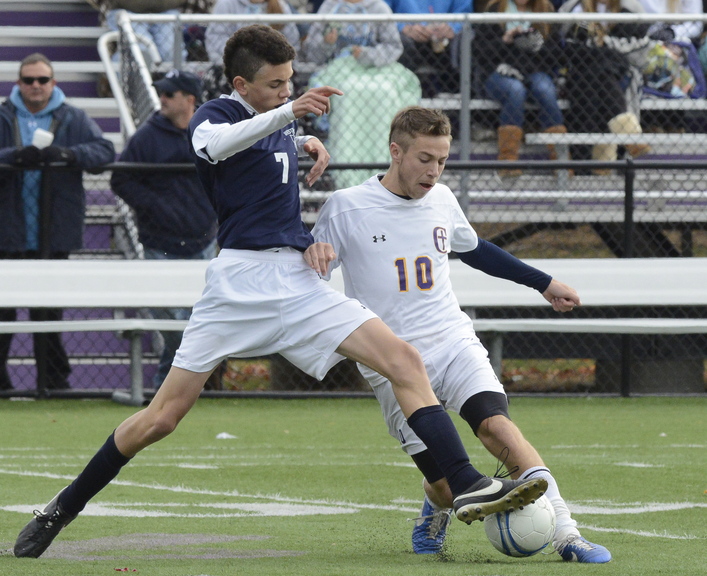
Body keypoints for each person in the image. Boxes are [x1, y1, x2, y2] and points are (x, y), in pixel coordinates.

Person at [13, 25, 547, 560]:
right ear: (242, 83)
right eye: (275, 84)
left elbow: (265, 143)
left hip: (294, 282)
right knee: (161, 417)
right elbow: (221, 147)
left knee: (404, 361)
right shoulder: (213, 117)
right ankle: (60, 508)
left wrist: (300, 141)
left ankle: (464, 482)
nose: (287, 92)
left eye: (291, 82)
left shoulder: (271, 120)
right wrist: (290, 121)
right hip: (238, 284)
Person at [309, 106, 611, 563]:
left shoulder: (443, 199)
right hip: (389, 361)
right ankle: (435, 502)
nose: (434, 171)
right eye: (424, 159)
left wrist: (543, 282)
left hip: (452, 340)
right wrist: (309, 248)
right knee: (450, 486)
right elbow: (309, 272)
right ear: (396, 152)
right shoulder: (346, 206)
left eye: (443, 161)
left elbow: (477, 251)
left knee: (498, 428)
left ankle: (567, 534)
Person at [0, 53, 115, 392]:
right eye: (29, 80)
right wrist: (13, 158)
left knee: (48, 314)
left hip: (54, 232)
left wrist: (70, 156)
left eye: (43, 80)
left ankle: (53, 382)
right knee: (3, 312)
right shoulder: (4, 115)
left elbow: (105, 151)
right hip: (7, 231)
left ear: (53, 83)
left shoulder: (73, 117)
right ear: (18, 83)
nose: (36, 86)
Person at [110, 69, 218, 389]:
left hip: (202, 241)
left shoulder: (210, 133)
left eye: (169, 94)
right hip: (161, 243)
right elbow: (121, 179)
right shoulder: (146, 136)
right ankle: (182, 386)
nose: (163, 100)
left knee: (195, 320)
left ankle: (168, 387)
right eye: (162, 94)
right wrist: (156, 206)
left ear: (189, 99)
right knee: (175, 322)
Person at [301, 0, 421, 188]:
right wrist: (326, 43)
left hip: (377, 70)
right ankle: (345, 172)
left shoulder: (380, 7)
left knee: (385, 92)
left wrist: (367, 55)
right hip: (337, 69)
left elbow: (393, 47)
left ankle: (386, 168)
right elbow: (311, 52)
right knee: (346, 92)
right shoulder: (329, 7)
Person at [473, 0, 566, 178]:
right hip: (499, 71)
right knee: (515, 90)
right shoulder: (495, 9)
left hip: (535, 70)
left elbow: (557, 55)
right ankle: (508, 161)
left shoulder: (546, 10)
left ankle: (561, 161)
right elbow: (481, 52)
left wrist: (536, 46)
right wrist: (505, 40)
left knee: (545, 89)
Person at [558, 0, 652, 167]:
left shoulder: (629, 9)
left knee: (599, 73)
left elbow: (637, 49)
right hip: (582, 69)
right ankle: (629, 136)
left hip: (619, 71)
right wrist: (602, 48)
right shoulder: (576, 8)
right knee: (597, 75)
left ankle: (587, 159)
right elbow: (569, 47)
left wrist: (602, 45)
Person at [384, 0, 472, 96]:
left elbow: (465, 12)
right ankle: (400, 90)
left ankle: (458, 91)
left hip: (445, 42)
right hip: (407, 41)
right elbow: (381, 12)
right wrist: (403, 27)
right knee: (398, 40)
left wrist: (452, 27)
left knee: (465, 39)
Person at [205, 0, 301, 63]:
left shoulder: (280, 5)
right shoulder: (226, 3)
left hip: (272, 66)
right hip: (233, 66)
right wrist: (241, 59)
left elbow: (291, 42)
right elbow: (215, 39)